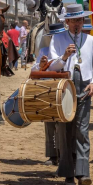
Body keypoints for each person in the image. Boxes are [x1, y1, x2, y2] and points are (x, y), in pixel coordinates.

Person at [49, 4, 93, 185]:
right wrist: (64, 57)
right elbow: (50, 66)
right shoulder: (58, 39)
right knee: (65, 131)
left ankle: (82, 173)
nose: (77, 24)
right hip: (64, 88)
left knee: (82, 130)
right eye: (73, 21)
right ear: (67, 22)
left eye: (79, 20)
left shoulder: (90, 41)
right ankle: (66, 172)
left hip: (83, 87)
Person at [32, 22, 67, 166]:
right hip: (49, 88)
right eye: (53, 36)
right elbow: (34, 69)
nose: (55, 38)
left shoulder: (68, 49)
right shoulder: (44, 50)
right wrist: (40, 65)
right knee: (49, 123)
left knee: (64, 123)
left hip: (64, 88)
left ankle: (64, 154)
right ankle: (52, 155)